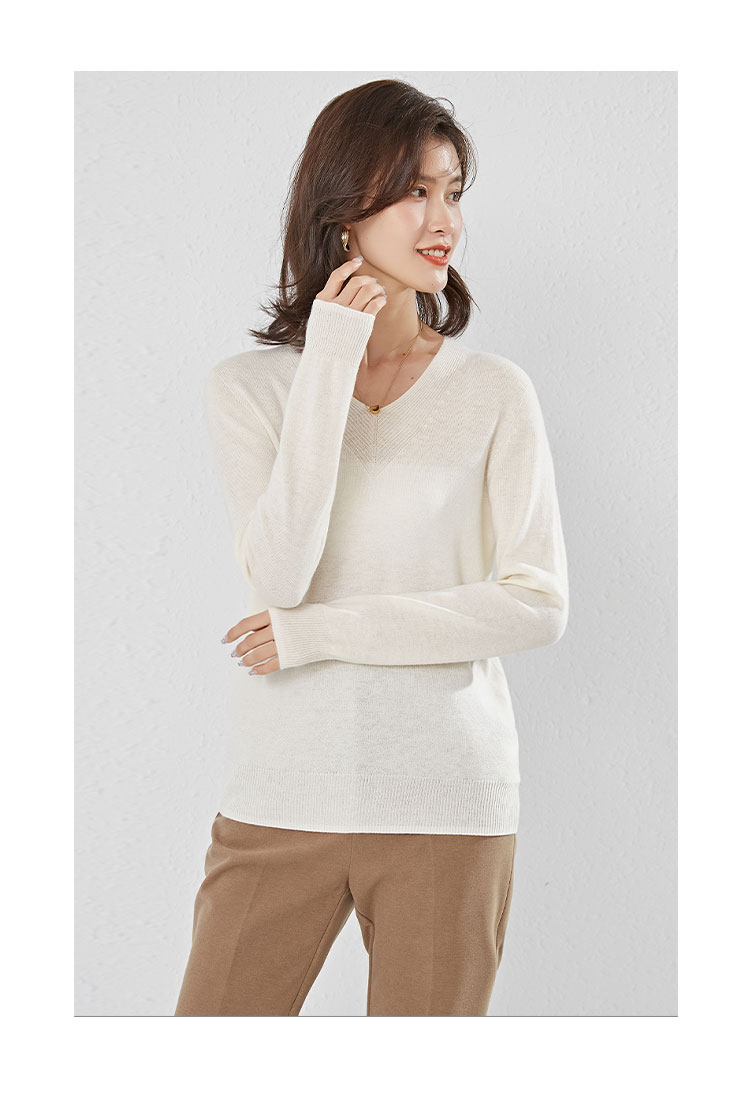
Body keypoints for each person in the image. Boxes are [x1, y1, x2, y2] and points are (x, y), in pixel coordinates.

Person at [174, 78, 569, 1017]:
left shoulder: (495, 391)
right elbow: (280, 574)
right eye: (413, 192)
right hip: (280, 793)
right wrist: (329, 361)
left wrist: (319, 634)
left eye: (453, 191)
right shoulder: (249, 389)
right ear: (344, 210)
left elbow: (538, 602)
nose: (443, 220)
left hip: (447, 798)